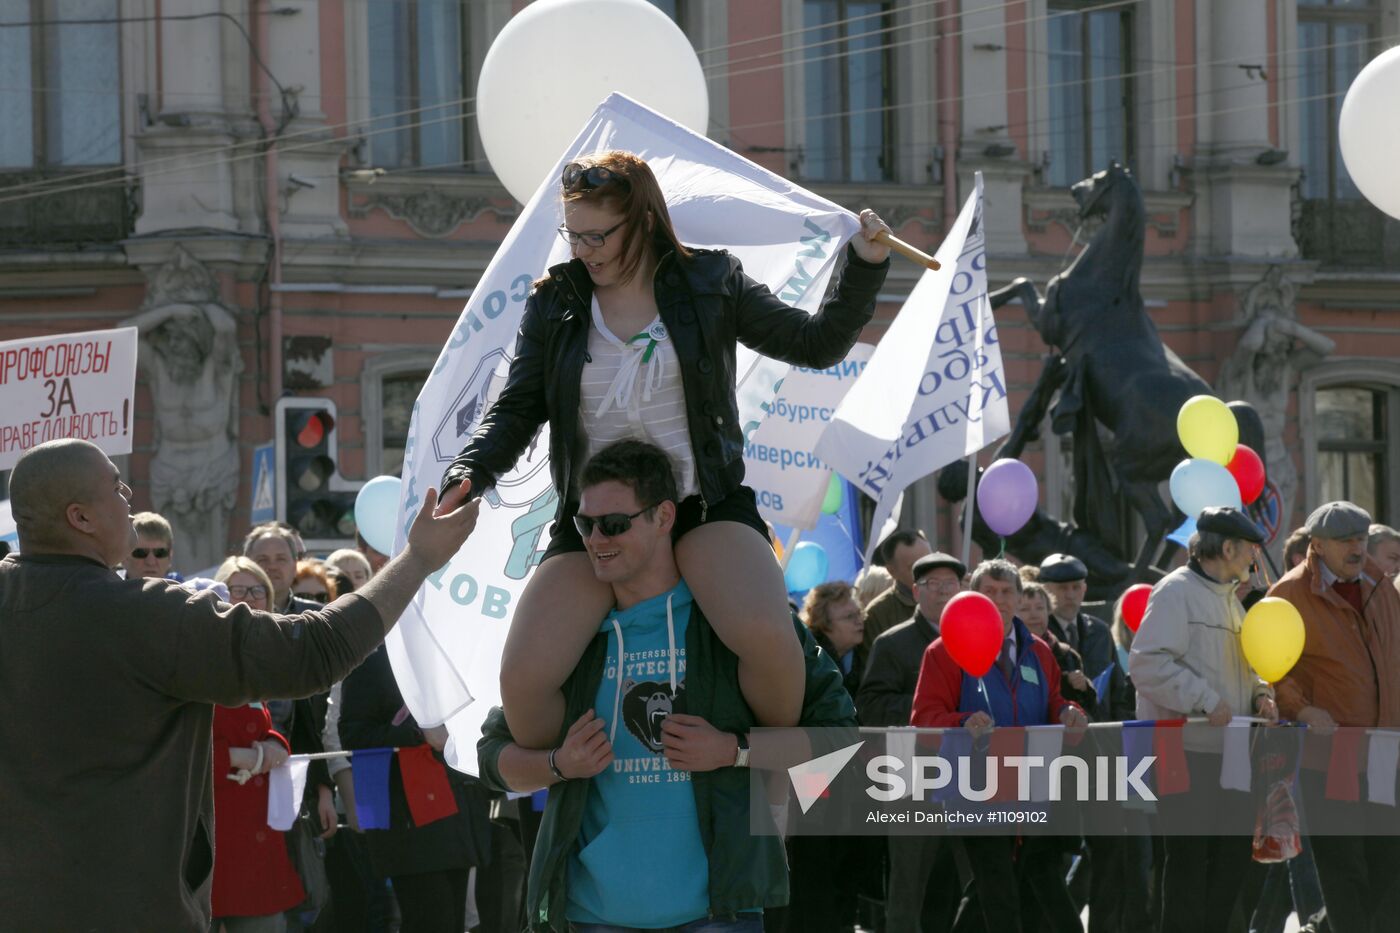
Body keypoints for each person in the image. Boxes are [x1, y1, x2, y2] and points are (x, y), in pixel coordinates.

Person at [438, 151, 892, 750]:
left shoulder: (711, 281)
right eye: (573, 235)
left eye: (598, 235)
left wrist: (865, 262)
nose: (583, 250)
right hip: (598, 521)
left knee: (768, 642)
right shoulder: (556, 300)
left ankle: (754, 778)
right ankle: (592, 780)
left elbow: (817, 343)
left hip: (703, 506)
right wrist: (471, 468)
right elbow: (519, 407)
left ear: (645, 221)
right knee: (523, 681)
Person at [0, 438, 479, 931]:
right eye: (117, 487)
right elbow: (315, 650)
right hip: (130, 910)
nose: (130, 500)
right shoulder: (146, 616)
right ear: (80, 518)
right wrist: (418, 558)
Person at [476, 439, 856, 931]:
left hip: (719, 913)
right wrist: (558, 764)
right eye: (585, 524)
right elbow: (493, 758)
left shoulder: (736, 624)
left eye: (613, 524)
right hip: (589, 917)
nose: (595, 539)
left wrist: (732, 750)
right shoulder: (574, 637)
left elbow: (842, 745)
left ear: (663, 517)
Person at [910, 559, 1087, 933]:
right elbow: (923, 720)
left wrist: (1069, 712)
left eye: (1007, 591)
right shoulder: (943, 651)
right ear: (972, 594)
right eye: (989, 591)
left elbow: (1053, 702)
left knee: (1011, 889)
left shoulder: (1038, 651)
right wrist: (961, 723)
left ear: (1021, 597)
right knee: (998, 893)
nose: (999, 599)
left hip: (1033, 788)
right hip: (975, 792)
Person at [1129, 506, 1278, 933]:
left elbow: (1249, 665)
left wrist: (1262, 693)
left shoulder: (1231, 600)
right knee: (1188, 866)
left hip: (1231, 752)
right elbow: (1146, 665)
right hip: (1184, 753)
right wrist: (1205, 700)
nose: (1253, 557)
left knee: (1231, 862)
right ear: (1226, 547)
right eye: (1249, 548)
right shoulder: (1174, 592)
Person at [1268, 501, 1400, 933]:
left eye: (1361, 539)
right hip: (1331, 756)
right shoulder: (1288, 595)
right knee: (1344, 869)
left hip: (1386, 748)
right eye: (1346, 541)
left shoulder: (1381, 584)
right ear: (1317, 545)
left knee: (1389, 865)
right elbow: (1271, 669)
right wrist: (1301, 707)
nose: (1357, 548)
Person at [857, 551, 965, 933]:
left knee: (962, 882)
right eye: (932, 585)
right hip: (910, 777)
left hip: (968, 779)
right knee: (908, 886)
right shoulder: (893, 644)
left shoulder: (975, 637)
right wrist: (930, 707)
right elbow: (870, 705)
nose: (941, 593)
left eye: (949, 584)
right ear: (916, 592)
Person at [208, 558, 307, 932]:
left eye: (257, 591)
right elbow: (179, 749)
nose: (248, 600)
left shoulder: (259, 661)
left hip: (257, 842)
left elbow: (263, 726)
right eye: (237, 590)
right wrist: (239, 757)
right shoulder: (195, 661)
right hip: (212, 841)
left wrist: (272, 743)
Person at [862, 529, 933, 649]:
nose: (927, 570)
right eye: (915, 567)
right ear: (892, 571)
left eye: (930, 561)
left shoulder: (952, 597)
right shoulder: (878, 614)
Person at [801, 581, 865, 698]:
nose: (859, 621)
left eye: (859, 613)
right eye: (849, 616)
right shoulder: (810, 662)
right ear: (824, 623)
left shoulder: (864, 652)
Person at [123, 510, 177, 579]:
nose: (151, 562)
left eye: (160, 553)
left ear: (170, 555)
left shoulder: (187, 588)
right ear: (123, 557)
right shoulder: (107, 588)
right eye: (140, 553)